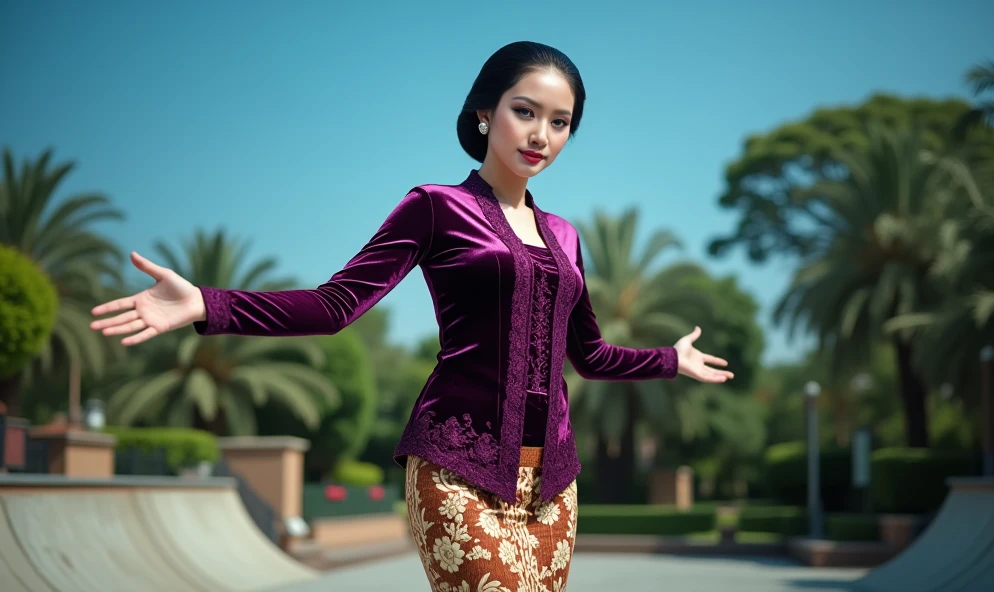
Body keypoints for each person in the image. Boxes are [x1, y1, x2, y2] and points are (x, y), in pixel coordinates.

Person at [90, 40, 734, 592]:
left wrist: (669, 359)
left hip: (552, 488)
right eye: (525, 111)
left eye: (561, 122)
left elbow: (588, 355)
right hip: (458, 470)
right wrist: (210, 303)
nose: (541, 135)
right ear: (485, 112)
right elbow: (336, 304)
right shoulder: (435, 207)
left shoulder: (564, 235)